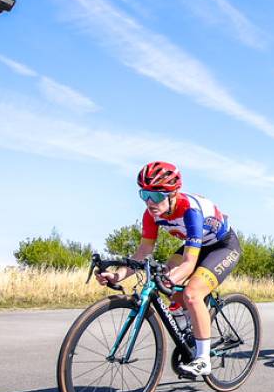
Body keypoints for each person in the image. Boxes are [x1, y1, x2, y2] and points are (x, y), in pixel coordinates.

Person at [95, 162, 241, 378]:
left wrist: (171, 279)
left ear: (173, 193)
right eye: (144, 194)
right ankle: (187, 327)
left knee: (191, 293)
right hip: (196, 245)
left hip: (222, 246)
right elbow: (143, 252)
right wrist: (116, 275)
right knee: (167, 280)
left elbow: (189, 264)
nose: (149, 202)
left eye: (155, 196)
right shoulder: (151, 214)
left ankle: (203, 359)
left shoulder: (190, 211)